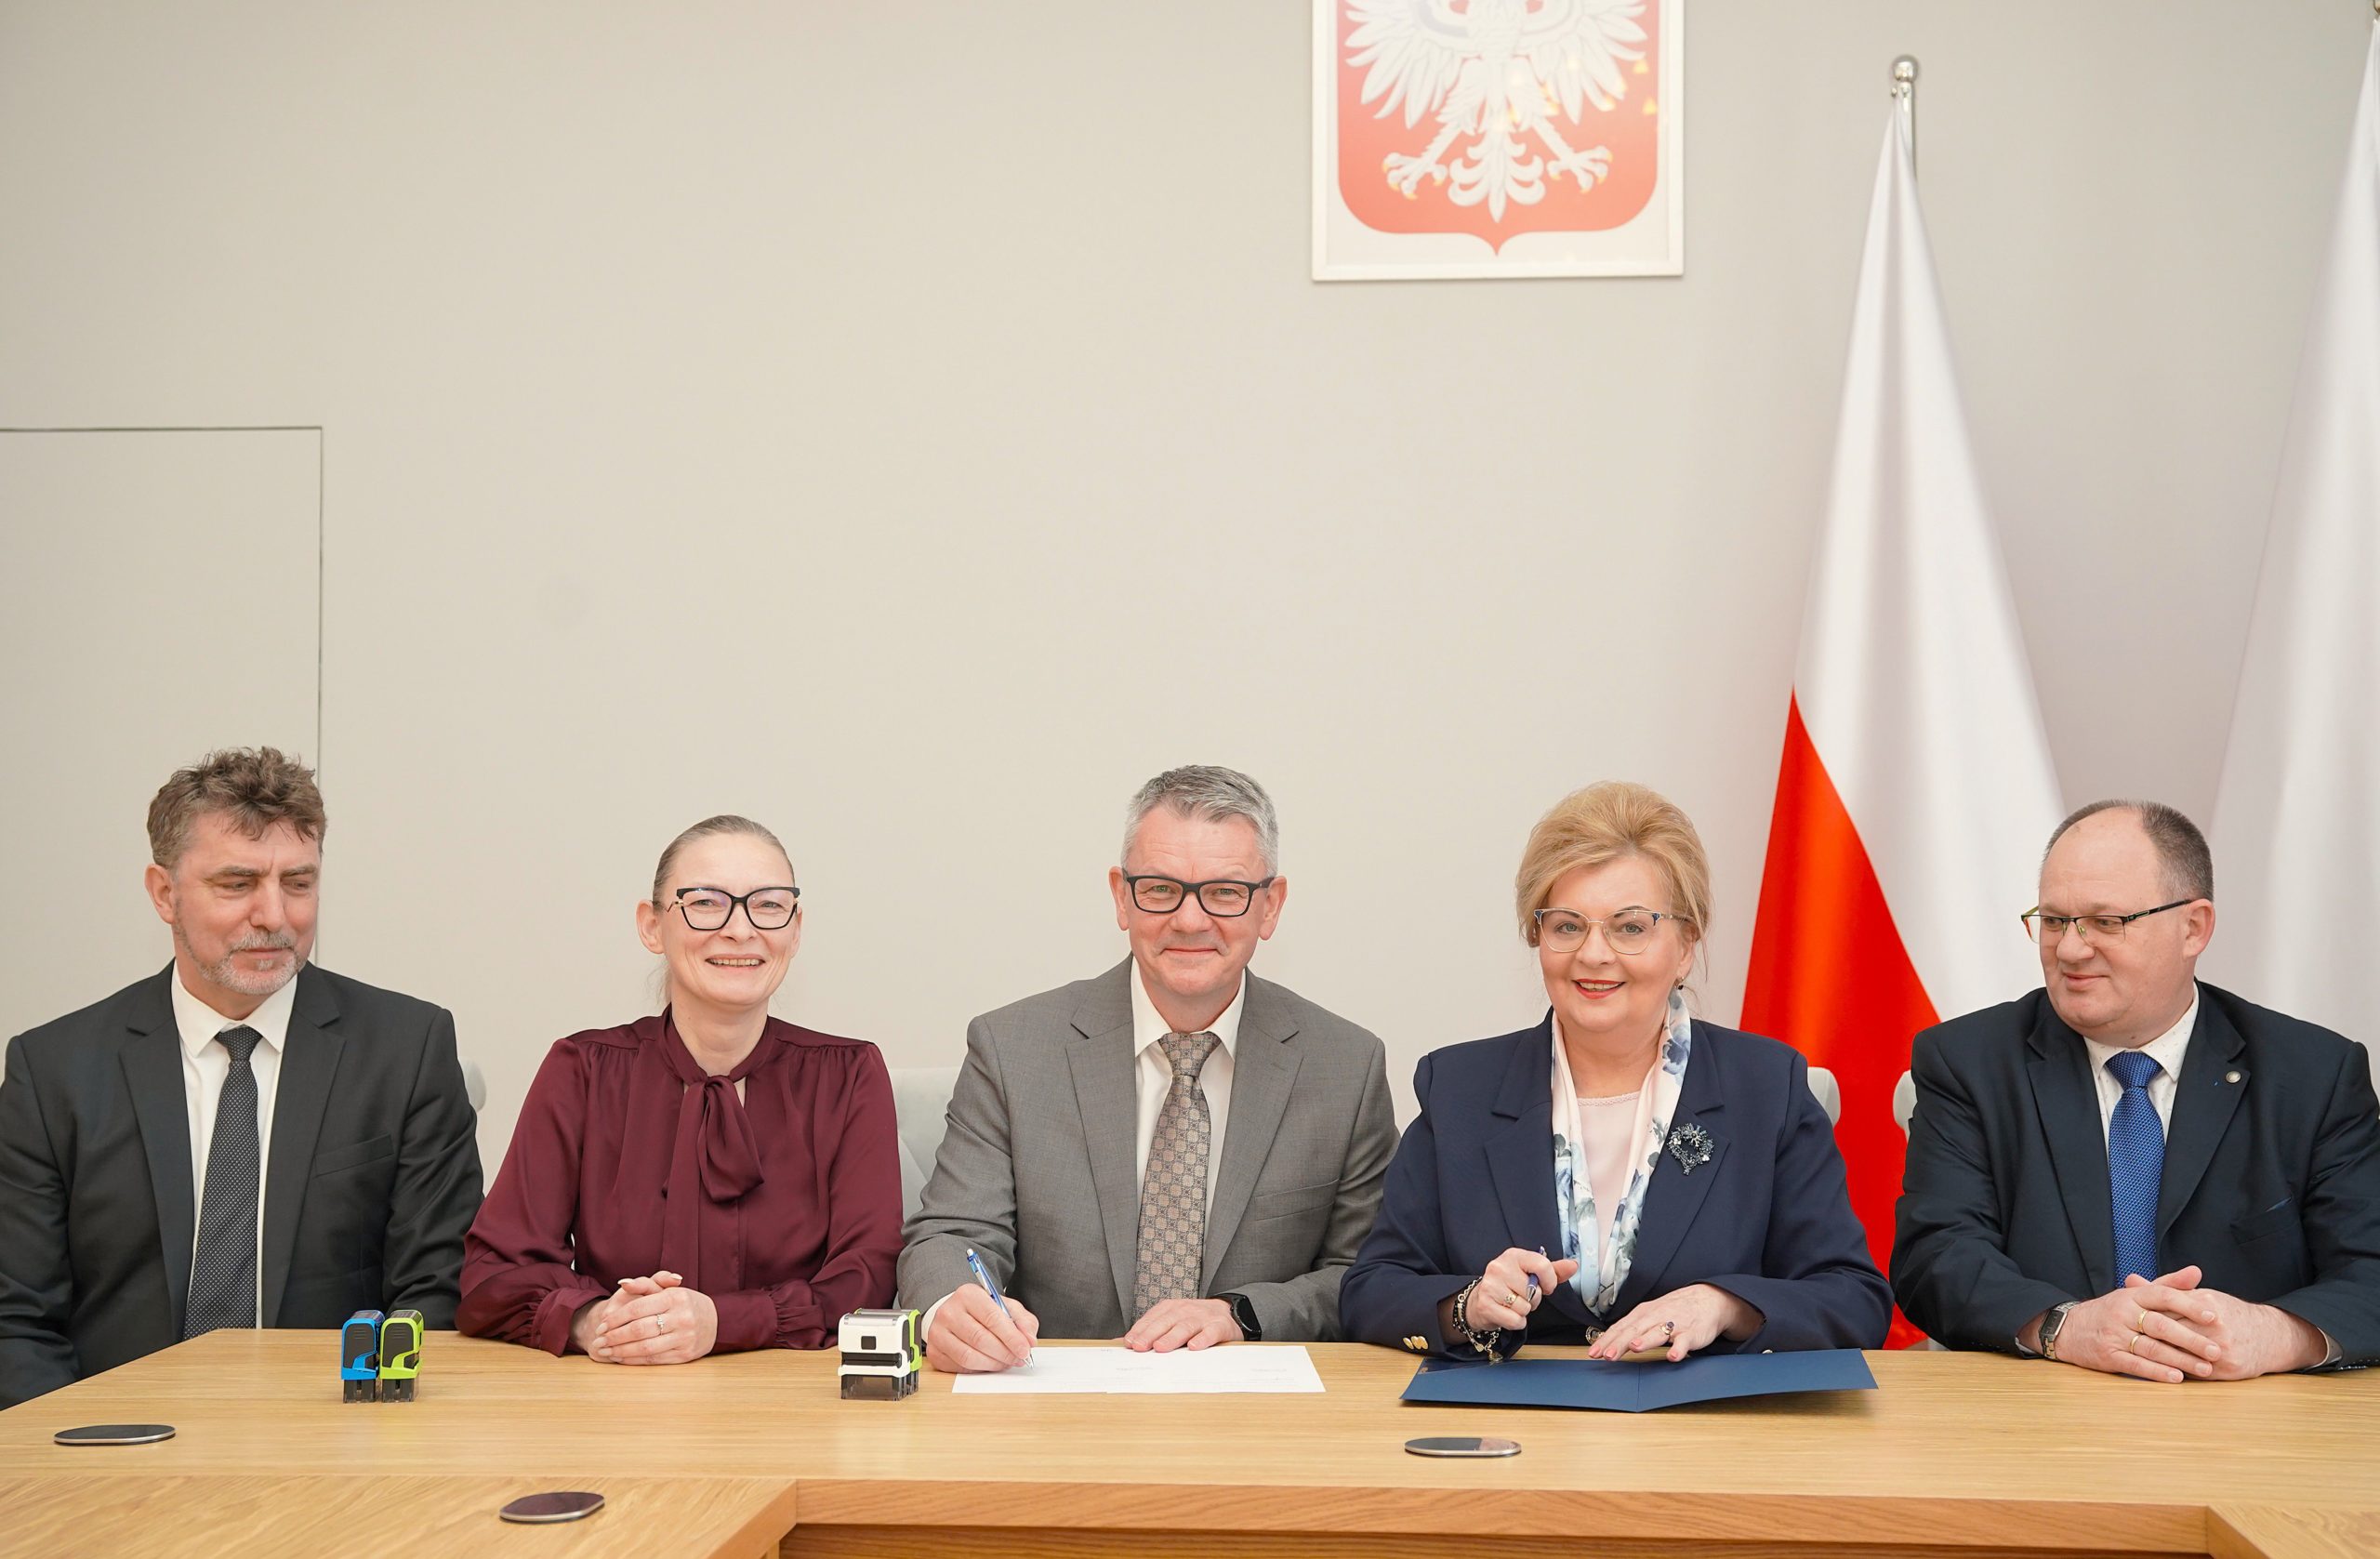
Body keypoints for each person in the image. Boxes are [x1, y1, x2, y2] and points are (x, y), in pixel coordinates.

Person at [0, 747, 483, 1408]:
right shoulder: (55, 1069)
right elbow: (17, 1317)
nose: (274, 916)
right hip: (111, 1440)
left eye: (298, 883)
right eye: (237, 883)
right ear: (164, 893)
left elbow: (435, 1292)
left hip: (333, 1442)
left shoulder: (405, 1049)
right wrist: (75, 1449)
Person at [1341, 781, 1889, 1361]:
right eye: (1567, 925)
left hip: (1700, 1413)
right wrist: (1468, 1305)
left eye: (1630, 927)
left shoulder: (1766, 1087)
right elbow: (1372, 1290)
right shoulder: (1459, 1088)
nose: (1593, 954)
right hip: (1513, 1410)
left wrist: (1725, 1305)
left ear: (1685, 946)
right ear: (1538, 936)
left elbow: (1854, 1299)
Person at [899, 765, 1399, 1372]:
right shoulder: (1012, 1049)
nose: (1189, 920)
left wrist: (1242, 1314)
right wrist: (952, 1304)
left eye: (1225, 892)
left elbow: (1367, 1274)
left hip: (1253, 1407)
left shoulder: (1345, 1068)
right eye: (1161, 889)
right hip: (1056, 1401)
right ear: (1121, 896)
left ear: (1270, 906)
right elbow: (952, 1236)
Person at [1893, 800, 2380, 1379]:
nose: (2070, 950)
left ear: (2193, 928)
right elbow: (1936, 1259)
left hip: (2251, 1409)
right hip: (2045, 1404)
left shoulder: (2313, 1074)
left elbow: (2370, 1269)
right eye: (2054, 921)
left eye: (2106, 922)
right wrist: (2064, 1327)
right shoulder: (1968, 1062)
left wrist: (2274, 1335)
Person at [459, 815, 899, 1360]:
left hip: (790, 1396)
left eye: (768, 904)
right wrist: (592, 1320)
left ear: (795, 928)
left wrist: (722, 1322)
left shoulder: (849, 1075)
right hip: (615, 1391)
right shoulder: (583, 1069)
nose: (740, 929)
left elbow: (869, 1278)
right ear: (652, 926)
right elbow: (493, 1273)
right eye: (706, 902)